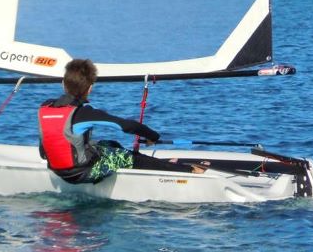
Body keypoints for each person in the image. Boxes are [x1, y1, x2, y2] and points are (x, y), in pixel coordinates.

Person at [38, 58, 205, 184]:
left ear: (63, 84)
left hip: (58, 170)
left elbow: (43, 151)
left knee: (110, 144)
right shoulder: (84, 113)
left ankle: (154, 162)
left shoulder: (45, 108)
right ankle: (187, 170)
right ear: (90, 88)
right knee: (129, 157)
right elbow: (128, 125)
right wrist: (153, 136)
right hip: (82, 173)